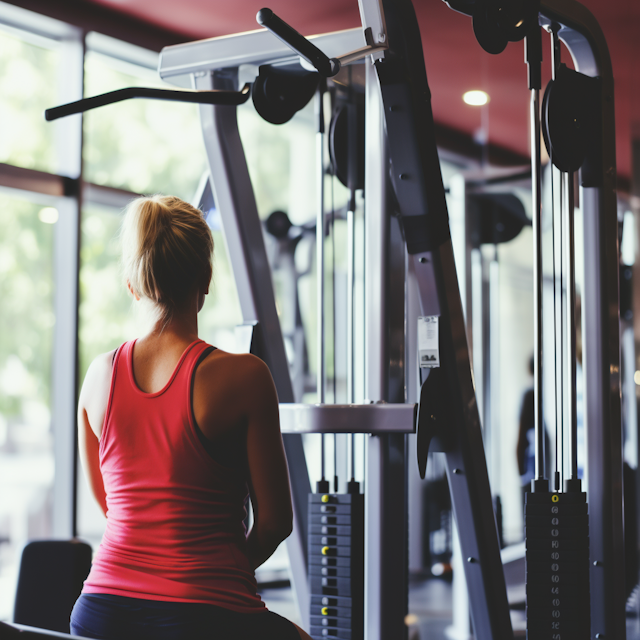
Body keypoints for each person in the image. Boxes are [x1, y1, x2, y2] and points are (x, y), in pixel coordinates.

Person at [71, 195, 311, 640]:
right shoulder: (246, 376)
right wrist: (220, 569)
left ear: (133, 285)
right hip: (204, 614)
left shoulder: (98, 376)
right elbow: (276, 523)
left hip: (99, 613)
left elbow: (113, 506)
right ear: (206, 277)